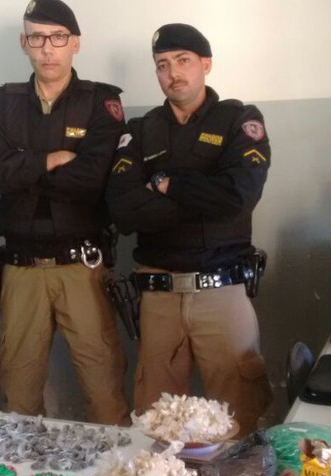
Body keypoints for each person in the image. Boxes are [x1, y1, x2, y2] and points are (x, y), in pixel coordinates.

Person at [0, 0, 129, 425]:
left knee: (104, 388)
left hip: (82, 266)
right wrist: (47, 160)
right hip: (20, 268)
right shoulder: (3, 103)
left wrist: (18, 166)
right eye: (37, 38)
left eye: (57, 37)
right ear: (24, 43)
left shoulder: (101, 103)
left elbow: (94, 178)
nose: (47, 48)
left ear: (75, 43)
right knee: (18, 395)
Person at [106, 23, 272, 436]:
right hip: (158, 297)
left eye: (183, 61)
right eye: (162, 65)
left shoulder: (239, 120)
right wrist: (201, 200)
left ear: (206, 64)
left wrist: (167, 184)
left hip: (222, 291)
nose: (173, 73)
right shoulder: (141, 131)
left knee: (238, 421)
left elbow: (238, 197)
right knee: (156, 423)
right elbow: (122, 210)